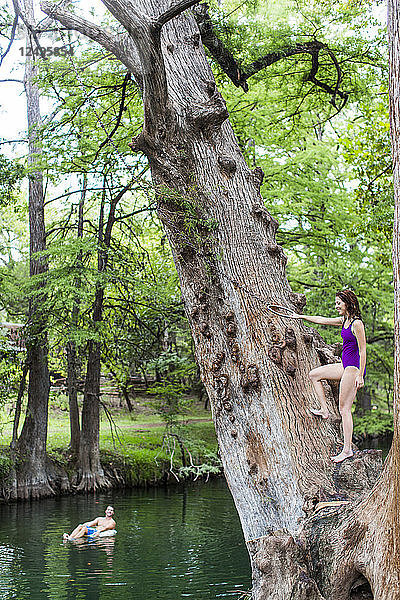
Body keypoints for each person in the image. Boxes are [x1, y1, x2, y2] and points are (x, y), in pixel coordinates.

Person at [293, 289, 366, 463]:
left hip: (353, 369)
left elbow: (363, 350)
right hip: (344, 366)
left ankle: (347, 450)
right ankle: (325, 410)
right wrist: (301, 317)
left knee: (344, 409)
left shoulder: (357, 324)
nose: (336, 306)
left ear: (347, 303)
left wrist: (360, 375)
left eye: (338, 303)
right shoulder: (344, 321)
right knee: (314, 375)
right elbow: (321, 320)